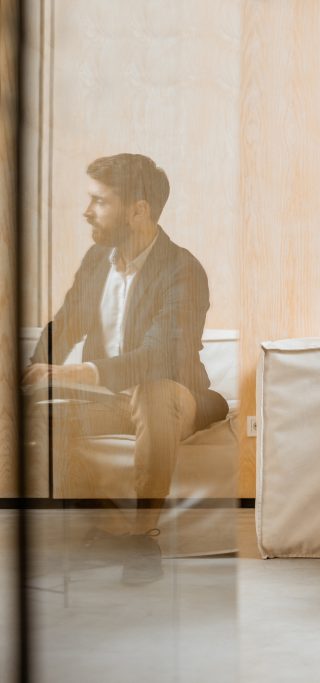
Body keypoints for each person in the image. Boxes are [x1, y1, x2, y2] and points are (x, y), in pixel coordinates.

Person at [24, 153, 227, 583]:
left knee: (152, 391)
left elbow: (159, 358)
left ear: (138, 210)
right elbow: (64, 326)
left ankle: (140, 536)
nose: (87, 211)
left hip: (174, 395)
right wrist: (34, 373)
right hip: (109, 400)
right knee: (39, 412)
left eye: (100, 201)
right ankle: (93, 528)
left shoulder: (184, 269)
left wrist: (75, 374)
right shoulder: (97, 261)